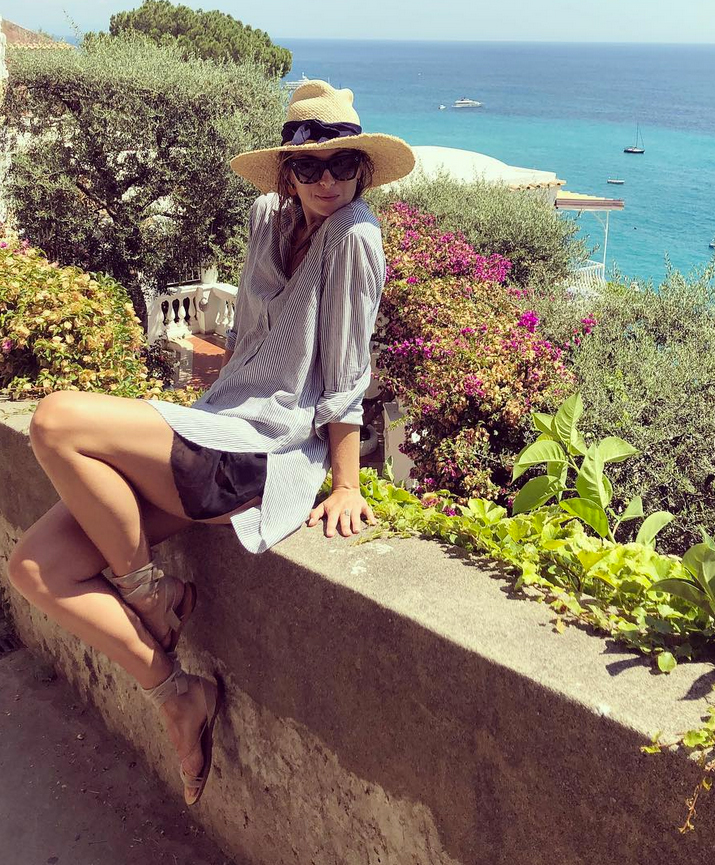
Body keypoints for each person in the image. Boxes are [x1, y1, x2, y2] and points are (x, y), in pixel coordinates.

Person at [5, 80, 415, 805]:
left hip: (258, 454)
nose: (327, 181)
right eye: (309, 165)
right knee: (36, 569)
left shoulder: (356, 236)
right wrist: (197, 416)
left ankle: (152, 594)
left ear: (363, 170)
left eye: (343, 164)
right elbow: (251, 339)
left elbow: (349, 371)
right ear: (286, 172)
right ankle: (176, 694)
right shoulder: (267, 217)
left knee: (55, 420)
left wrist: (347, 482)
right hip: (214, 428)